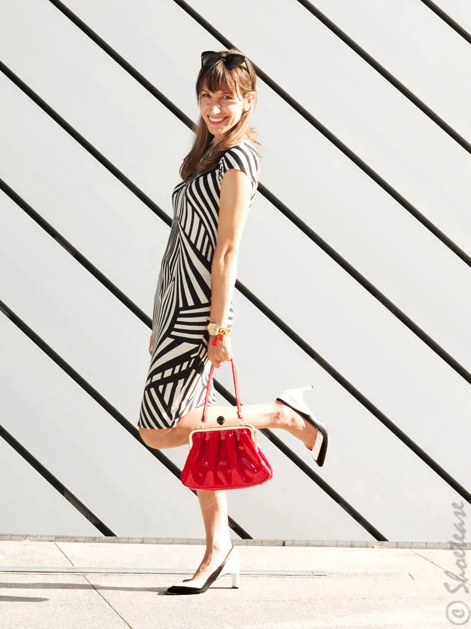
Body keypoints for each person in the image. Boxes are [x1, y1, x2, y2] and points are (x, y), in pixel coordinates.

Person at [136, 49, 329, 595]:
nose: (215, 107)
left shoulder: (238, 160)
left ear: (248, 100)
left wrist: (217, 328)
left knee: (159, 429)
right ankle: (218, 549)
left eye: (227, 97)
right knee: (199, 430)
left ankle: (281, 414)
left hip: (200, 311)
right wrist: (159, 314)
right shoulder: (205, 158)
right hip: (175, 309)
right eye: (207, 96)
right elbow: (178, 244)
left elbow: (226, 250)